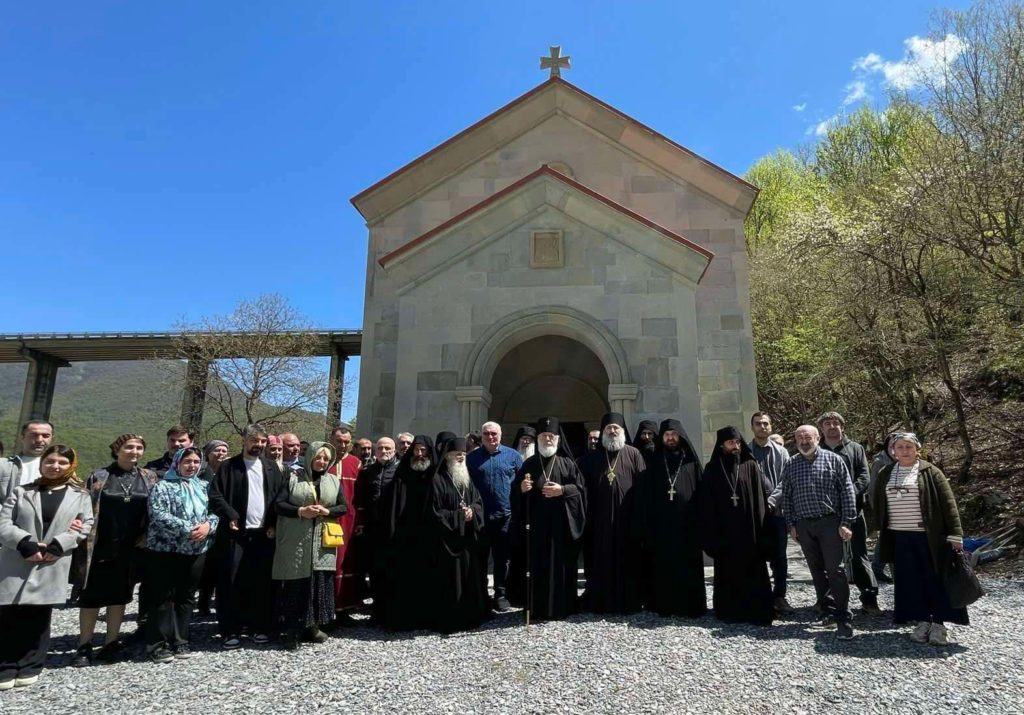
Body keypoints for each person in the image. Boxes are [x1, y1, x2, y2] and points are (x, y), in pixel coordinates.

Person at [0, 445, 92, 689]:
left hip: (53, 560)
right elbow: (3, 521)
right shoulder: (21, 492)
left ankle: (31, 664)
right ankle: (6, 665)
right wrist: (24, 543)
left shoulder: (80, 495)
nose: (55, 466)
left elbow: (85, 525)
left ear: (71, 465)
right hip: (19, 558)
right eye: (50, 461)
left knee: (39, 616)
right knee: (9, 614)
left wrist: (59, 545)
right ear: (42, 464)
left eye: (62, 462)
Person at [870, 432, 967, 646]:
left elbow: (949, 505)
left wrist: (955, 534)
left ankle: (939, 624)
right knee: (910, 581)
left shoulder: (931, 472)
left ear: (917, 449)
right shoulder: (886, 473)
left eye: (908, 447)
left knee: (935, 579)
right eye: (900, 447)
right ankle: (922, 621)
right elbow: (877, 504)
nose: (904, 451)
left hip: (929, 538)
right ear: (893, 450)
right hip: (899, 537)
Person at [71, 434, 159, 667]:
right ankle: (84, 644)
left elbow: (155, 511)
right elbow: (83, 506)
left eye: (139, 447)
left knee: (120, 596)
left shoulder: (149, 477)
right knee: (91, 597)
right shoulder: (100, 477)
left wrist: (147, 536)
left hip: (131, 548)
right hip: (100, 545)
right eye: (129, 447)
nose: (135, 451)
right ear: (117, 450)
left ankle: (111, 642)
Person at [208, 424, 285, 649]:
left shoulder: (271, 467)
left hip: (263, 534)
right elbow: (215, 495)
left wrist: (272, 522)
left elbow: (280, 496)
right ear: (244, 440)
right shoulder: (228, 467)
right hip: (235, 534)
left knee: (261, 582)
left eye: (262, 442)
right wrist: (230, 514)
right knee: (231, 581)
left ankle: (258, 627)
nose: (258, 445)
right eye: (254, 441)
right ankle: (230, 630)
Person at [781, 425, 857, 640]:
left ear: (817, 438)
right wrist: (791, 524)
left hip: (830, 522)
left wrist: (847, 522)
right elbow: (786, 495)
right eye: (799, 438)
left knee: (835, 570)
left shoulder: (834, 460)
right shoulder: (791, 464)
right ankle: (827, 609)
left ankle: (844, 616)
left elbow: (847, 491)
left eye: (808, 437)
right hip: (804, 525)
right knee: (816, 570)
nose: (804, 441)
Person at [144, 447, 218, 662]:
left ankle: (181, 639)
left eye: (196, 462)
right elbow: (158, 514)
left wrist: (208, 527)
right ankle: (158, 643)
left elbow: (214, 512)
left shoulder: (204, 486)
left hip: (196, 550)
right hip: (166, 549)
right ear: (177, 462)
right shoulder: (162, 486)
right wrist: (190, 528)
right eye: (187, 462)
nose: (192, 466)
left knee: (186, 596)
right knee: (162, 596)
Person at [509, 417, 586, 621]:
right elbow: (515, 494)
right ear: (539, 439)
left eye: (551, 436)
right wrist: (521, 490)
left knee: (562, 567)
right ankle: (538, 608)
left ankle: (564, 606)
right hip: (536, 528)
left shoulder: (567, 464)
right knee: (538, 568)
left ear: (558, 439)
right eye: (544, 436)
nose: (548, 439)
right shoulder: (529, 464)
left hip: (561, 528)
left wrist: (562, 490)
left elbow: (580, 490)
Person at [273, 442, 347, 649]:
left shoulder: (333, 480)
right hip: (296, 539)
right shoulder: (293, 477)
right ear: (310, 457)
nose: (321, 462)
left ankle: (312, 626)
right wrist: (300, 511)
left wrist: (327, 512)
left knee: (317, 583)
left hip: (321, 542)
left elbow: (343, 507)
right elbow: (279, 504)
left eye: (325, 458)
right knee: (296, 584)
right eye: (318, 457)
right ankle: (291, 630)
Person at [700, 427, 774, 626]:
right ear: (722, 445)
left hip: (749, 531)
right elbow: (708, 504)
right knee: (728, 570)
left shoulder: (750, 465)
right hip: (726, 533)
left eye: (738, 443)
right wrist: (712, 533)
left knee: (753, 569)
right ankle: (729, 611)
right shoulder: (713, 468)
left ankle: (756, 609)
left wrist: (762, 529)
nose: (736, 446)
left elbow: (760, 500)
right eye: (731, 443)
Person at [636, 419, 706, 618]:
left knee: (689, 566)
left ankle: (692, 606)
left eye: (673, 434)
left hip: (688, 527)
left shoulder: (691, 463)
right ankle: (664, 605)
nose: (670, 438)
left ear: (680, 436)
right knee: (664, 566)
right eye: (666, 435)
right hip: (662, 527)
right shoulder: (655, 463)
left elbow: (702, 494)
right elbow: (647, 497)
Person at [577, 413, 647, 613]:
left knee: (628, 560)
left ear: (623, 431)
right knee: (601, 560)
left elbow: (642, 488)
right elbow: (582, 489)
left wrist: (638, 517)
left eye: (616, 428)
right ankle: (601, 601)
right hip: (599, 522)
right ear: (603, 432)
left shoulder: (633, 454)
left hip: (627, 520)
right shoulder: (590, 459)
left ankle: (629, 601)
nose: (613, 431)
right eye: (609, 428)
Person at [817, 412, 879, 615]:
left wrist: (848, 492)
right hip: (827, 513)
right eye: (827, 424)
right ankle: (829, 601)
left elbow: (864, 475)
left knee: (859, 555)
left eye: (836, 423)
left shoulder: (855, 448)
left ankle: (869, 599)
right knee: (828, 559)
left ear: (842, 427)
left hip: (853, 511)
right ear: (822, 429)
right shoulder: (816, 450)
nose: (832, 426)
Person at [372, 435, 436, 631]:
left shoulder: (435, 475)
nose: (419, 453)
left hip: (429, 536)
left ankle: (427, 617)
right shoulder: (402, 473)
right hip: (404, 536)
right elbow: (392, 507)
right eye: (416, 450)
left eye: (423, 450)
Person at [428, 437, 486, 633]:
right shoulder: (437, 480)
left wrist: (473, 512)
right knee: (449, 581)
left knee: (470, 578)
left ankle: (471, 616)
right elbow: (434, 512)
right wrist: (458, 516)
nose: (461, 459)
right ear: (447, 457)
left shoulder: (466, 478)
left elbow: (478, 501)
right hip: (447, 541)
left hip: (467, 540)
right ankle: (450, 619)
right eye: (457, 455)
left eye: (463, 455)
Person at [466, 421, 522, 612]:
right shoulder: (471, 459)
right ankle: (480, 594)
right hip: (480, 517)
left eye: (494, 434)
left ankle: (501, 594)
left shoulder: (513, 456)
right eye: (486, 434)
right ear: (481, 436)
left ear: (500, 435)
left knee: (502, 558)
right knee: (480, 557)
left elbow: (521, 484)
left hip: (505, 516)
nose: (490, 437)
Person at [748, 412, 794, 615]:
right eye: (758, 424)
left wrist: (771, 500)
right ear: (752, 427)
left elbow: (786, 480)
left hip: (776, 512)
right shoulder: (745, 452)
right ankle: (758, 594)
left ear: (771, 426)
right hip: (751, 514)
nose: (762, 427)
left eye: (765, 423)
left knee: (779, 557)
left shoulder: (781, 452)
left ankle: (780, 596)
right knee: (754, 554)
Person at [353, 437, 399, 623]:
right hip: (373, 528)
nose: (384, 451)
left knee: (393, 569)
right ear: (375, 450)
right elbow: (361, 499)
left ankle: (393, 610)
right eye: (380, 448)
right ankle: (378, 609)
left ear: (394, 450)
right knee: (375, 569)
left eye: (388, 448)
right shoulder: (367, 471)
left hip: (394, 528)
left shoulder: (400, 471)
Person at [328, 426, 365, 627]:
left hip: (350, 521)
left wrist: (360, 521)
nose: (342, 445)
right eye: (339, 441)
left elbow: (361, 496)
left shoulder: (356, 464)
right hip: (326, 520)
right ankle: (325, 609)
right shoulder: (323, 461)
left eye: (346, 442)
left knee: (348, 563)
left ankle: (345, 609)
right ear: (331, 440)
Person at [868, 432, 899, 583]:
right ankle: (878, 568)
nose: (895, 449)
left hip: (904, 510)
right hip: (887, 509)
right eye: (892, 445)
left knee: (886, 540)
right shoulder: (880, 463)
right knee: (887, 539)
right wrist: (878, 511)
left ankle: (877, 567)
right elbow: (873, 489)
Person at [0, 420, 54, 501]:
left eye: (45, 436)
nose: (39, 440)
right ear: (22, 437)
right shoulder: (3, 464)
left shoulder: (60, 468)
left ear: (51, 438)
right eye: (34, 435)